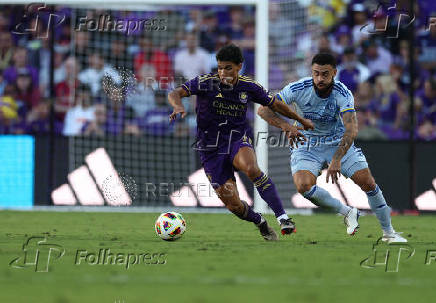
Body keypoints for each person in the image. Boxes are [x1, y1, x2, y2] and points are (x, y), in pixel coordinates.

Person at [168, 44, 314, 241]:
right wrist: (177, 106)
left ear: (239, 66)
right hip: (210, 149)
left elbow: (275, 104)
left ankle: (283, 218)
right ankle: (260, 222)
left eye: (228, 67)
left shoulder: (249, 86)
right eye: (219, 67)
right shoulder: (206, 82)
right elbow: (175, 92)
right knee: (234, 206)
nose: (222, 72)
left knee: (252, 168)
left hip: (237, 139)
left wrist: (300, 121)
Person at [258, 53, 407, 243]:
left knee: (368, 183)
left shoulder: (342, 93)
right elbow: (263, 109)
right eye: (316, 73)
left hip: (338, 141)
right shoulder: (297, 88)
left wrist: (336, 159)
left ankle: (389, 233)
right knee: (303, 186)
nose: (320, 79)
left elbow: (352, 129)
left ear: (334, 73)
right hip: (308, 143)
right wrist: (286, 126)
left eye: (325, 74)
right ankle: (347, 212)